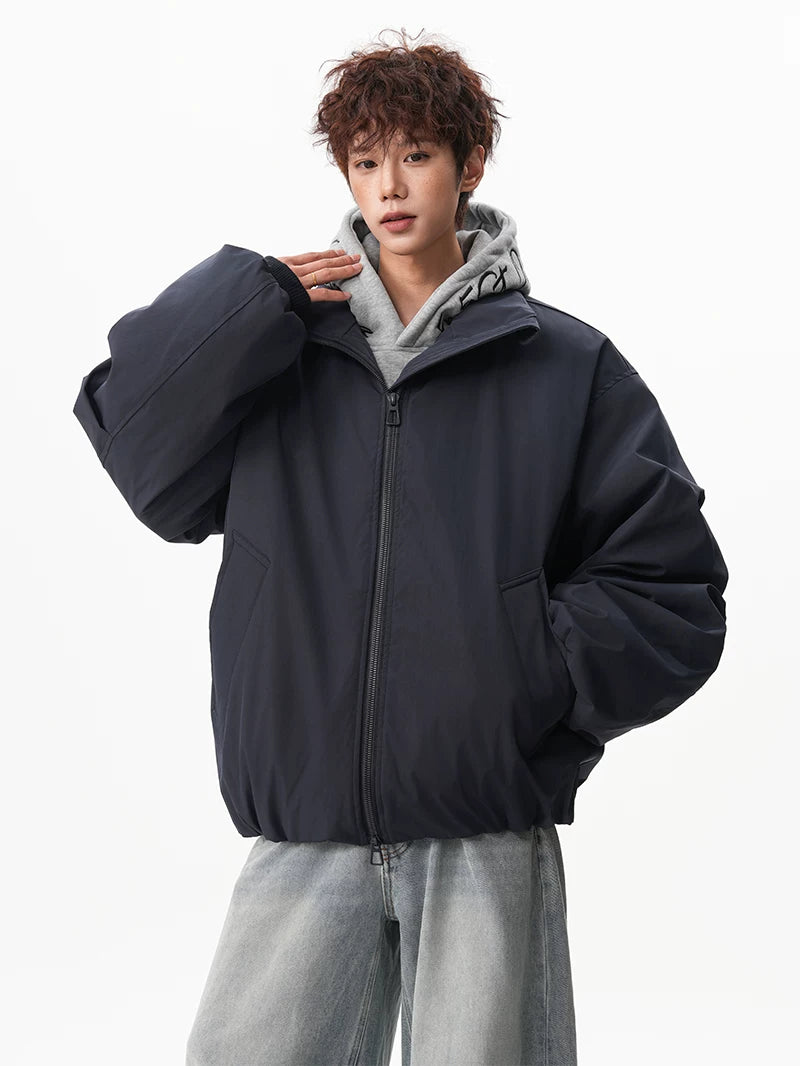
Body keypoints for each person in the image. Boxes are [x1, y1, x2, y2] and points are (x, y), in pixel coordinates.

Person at [72, 27, 728, 1066]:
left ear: (470, 165)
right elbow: (136, 448)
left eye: (415, 155)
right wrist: (245, 305)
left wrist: (521, 679)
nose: (388, 185)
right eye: (365, 159)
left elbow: (671, 587)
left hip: (481, 831)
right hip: (305, 824)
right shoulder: (279, 355)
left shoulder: (563, 366)